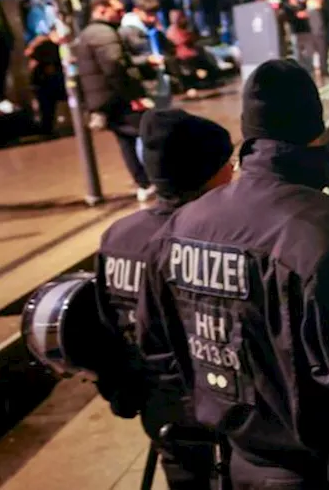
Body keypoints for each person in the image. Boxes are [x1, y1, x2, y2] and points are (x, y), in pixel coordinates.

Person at [136, 60, 329, 488]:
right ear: (315, 128)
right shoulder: (323, 232)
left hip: (237, 458)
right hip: (324, 471)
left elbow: (158, 346)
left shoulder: (179, 229)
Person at [94, 110, 234, 489]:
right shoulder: (218, 240)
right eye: (228, 162)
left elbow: (106, 328)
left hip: (161, 410)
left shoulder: (117, 237)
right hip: (226, 409)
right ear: (211, 172)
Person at [76, 0, 156, 202]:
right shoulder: (104, 33)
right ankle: (158, 181)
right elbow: (115, 66)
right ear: (101, 10)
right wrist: (135, 96)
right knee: (150, 132)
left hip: (103, 99)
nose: (122, 14)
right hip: (118, 97)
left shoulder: (87, 34)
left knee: (126, 141)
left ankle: (144, 183)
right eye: (117, 10)